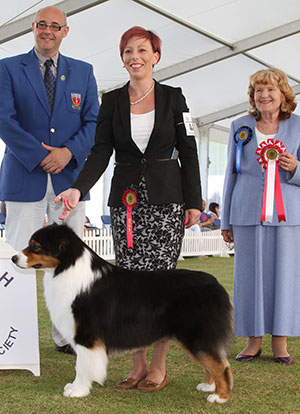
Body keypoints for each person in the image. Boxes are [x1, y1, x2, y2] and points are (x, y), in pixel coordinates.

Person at [55, 26, 202, 391]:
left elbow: (189, 150)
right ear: (122, 59)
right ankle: (136, 367)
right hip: (126, 204)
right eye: (127, 51)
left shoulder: (174, 97)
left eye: (142, 49)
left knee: (161, 286)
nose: (134, 56)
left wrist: (194, 202)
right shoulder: (112, 100)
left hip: (167, 202)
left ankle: (159, 368)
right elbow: (100, 151)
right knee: (129, 286)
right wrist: (77, 188)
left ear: (156, 56)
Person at [0, 6, 99, 353]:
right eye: (42, 25)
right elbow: (4, 119)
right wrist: (42, 154)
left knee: (70, 263)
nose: (48, 31)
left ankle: (67, 337)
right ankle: (13, 337)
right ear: (33, 27)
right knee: (17, 258)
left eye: (55, 26)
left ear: (65, 32)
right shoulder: (8, 68)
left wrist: (68, 153)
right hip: (23, 177)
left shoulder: (84, 72)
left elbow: (93, 123)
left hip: (69, 181)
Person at [221, 67, 300, 365]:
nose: (264, 95)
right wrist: (225, 219)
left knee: (286, 277)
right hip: (246, 212)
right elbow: (230, 173)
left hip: (289, 214)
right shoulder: (239, 125)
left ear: (283, 95)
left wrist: (295, 167)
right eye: (259, 90)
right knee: (248, 278)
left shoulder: (299, 126)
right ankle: (253, 341)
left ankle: (281, 341)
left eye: (270, 90)